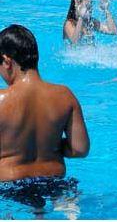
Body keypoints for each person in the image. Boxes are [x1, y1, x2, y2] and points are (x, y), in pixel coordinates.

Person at [0, 24, 89, 187]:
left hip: (9, 186)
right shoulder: (65, 95)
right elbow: (80, 149)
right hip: (54, 182)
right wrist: (48, 143)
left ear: (6, 61)